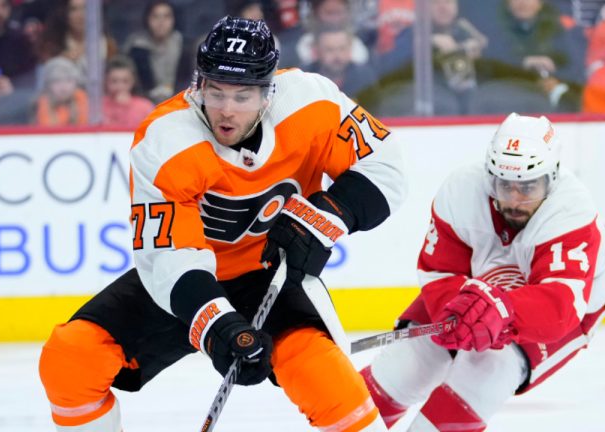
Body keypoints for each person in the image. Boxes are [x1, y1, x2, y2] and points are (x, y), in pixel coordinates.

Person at [39, 16, 407, 432]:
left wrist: (323, 217)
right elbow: (169, 256)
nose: (227, 109)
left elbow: (385, 166)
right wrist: (218, 325)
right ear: (198, 85)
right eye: (215, 91)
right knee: (71, 358)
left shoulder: (312, 101)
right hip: (188, 284)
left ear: (268, 92)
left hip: (272, 275)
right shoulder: (166, 139)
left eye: (243, 94)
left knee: (331, 386)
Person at [359, 113, 605, 431]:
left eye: (528, 187)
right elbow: (440, 272)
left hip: (556, 316)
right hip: (476, 288)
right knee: (396, 373)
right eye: (504, 185)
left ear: (553, 177)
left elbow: (559, 308)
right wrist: (456, 310)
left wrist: (502, 311)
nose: (515, 200)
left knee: (469, 390)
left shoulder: (572, 212)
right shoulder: (461, 191)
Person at [101, 55, 155, 128]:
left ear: (133, 81)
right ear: (106, 81)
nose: (120, 86)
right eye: (114, 81)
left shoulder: (145, 107)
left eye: (125, 81)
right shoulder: (98, 107)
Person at [34, 56, 88, 126]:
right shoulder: (40, 103)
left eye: (69, 81)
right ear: (48, 85)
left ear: (75, 83)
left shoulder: (82, 98)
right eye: (57, 81)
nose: (63, 87)